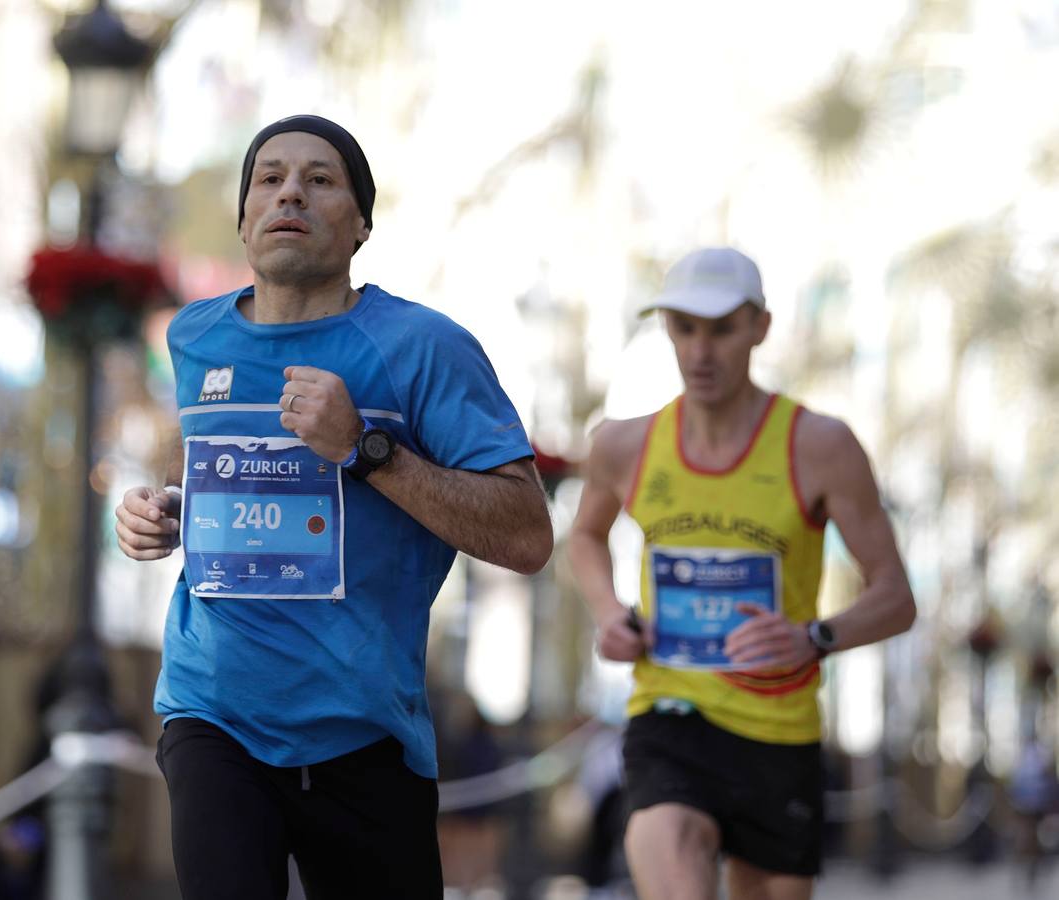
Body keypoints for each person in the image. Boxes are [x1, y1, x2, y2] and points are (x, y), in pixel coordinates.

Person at [114, 114, 552, 899]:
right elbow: (242, 483)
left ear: (360, 225)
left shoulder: (423, 347)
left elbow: (526, 535)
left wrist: (367, 448)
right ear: (245, 219)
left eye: (320, 180)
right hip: (213, 710)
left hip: (362, 731)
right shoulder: (195, 338)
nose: (291, 193)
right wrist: (170, 510)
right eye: (269, 179)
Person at [568, 246, 917, 900]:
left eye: (723, 329)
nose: (701, 352)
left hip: (777, 733)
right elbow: (584, 536)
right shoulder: (624, 443)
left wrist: (814, 637)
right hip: (669, 715)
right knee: (669, 858)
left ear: (760, 326)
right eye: (684, 328)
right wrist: (609, 612)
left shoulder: (820, 446)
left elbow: (896, 597)